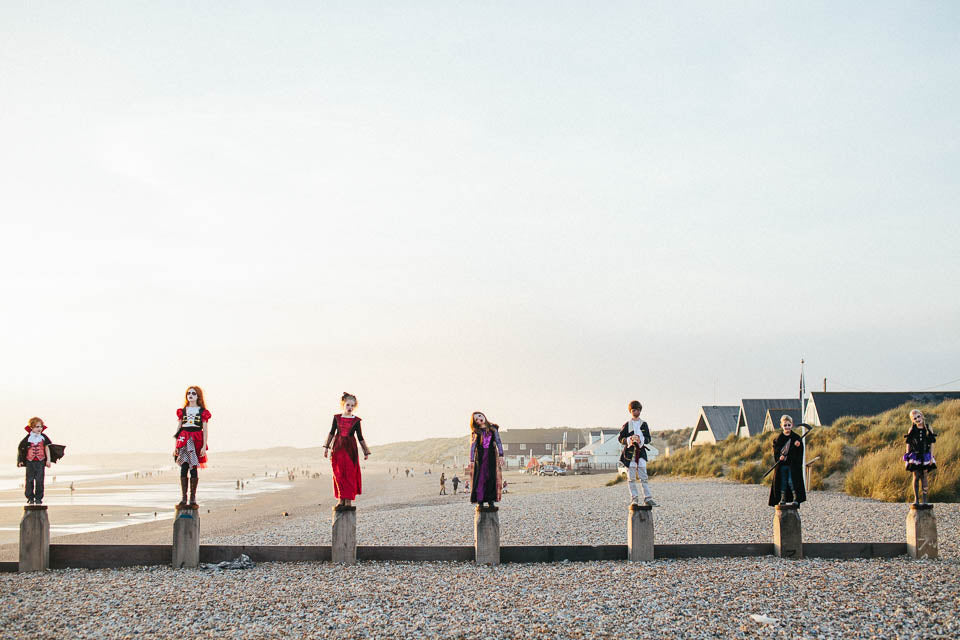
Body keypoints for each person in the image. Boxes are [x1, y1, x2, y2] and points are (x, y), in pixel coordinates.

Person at [324, 392, 371, 508]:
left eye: (352, 406)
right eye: (348, 405)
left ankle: (348, 500)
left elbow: (360, 437)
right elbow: (331, 433)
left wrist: (366, 451)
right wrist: (326, 448)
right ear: (343, 405)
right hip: (338, 448)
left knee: (349, 474)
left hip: (350, 450)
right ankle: (341, 499)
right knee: (338, 474)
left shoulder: (356, 421)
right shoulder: (337, 418)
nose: (350, 408)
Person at [173, 386, 211, 508]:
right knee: (184, 466)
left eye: (193, 393)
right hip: (184, 438)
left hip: (196, 439)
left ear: (198, 396)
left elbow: (205, 429)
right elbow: (179, 428)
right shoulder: (183, 411)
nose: (190, 395)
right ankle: (184, 498)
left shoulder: (202, 412)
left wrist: (204, 445)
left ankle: (192, 498)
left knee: (193, 467)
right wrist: (176, 446)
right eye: (188, 393)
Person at [618, 401, 657, 506]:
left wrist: (641, 439)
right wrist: (629, 439)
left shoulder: (644, 424)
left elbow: (648, 438)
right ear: (631, 411)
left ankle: (648, 498)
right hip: (629, 454)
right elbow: (620, 438)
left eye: (638, 410)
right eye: (634, 410)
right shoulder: (626, 425)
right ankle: (634, 499)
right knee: (631, 479)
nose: (636, 411)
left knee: (644, 477)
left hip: (641, 453)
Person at [17, 417, 59, 505]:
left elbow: (47, 448)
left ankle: (39, 498)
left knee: (40, 480)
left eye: (40, 427)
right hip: (30, 461)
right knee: (29, 480)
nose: (39, 429)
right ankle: (30, 497)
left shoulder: (43, 437)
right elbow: (21, 449)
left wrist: (48, 460)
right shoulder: (28, 438)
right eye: (37, 427)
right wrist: (20, 460)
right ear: (31, 427)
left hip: (40, 461)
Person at [768, 415, 806, 507]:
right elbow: (776, 450)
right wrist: (779, 457)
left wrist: (799, 445)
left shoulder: (796, 437)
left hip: (792, 465)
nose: (787, 427)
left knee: (791, 481)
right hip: (782, 465)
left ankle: (795, 499)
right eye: (785, 425)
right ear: (781, 425)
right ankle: (782, 499)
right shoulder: (778, 439)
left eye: (789, 425)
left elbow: (800, 452)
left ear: (791, 425)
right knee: (783, 481)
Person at [468, 411, 503, 508]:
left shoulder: (493, 429)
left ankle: (491, 500)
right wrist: (471, 460)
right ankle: (480, 501)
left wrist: (501, 455)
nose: (479, 419)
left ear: (483, 415)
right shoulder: (476, 432)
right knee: (480, 478)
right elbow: (472, 446)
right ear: (476, 423)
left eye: (480, 416)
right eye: (476, 419)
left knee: (491, 477)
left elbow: (498, 441)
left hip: (491, 455)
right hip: (480, 457)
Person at [903, 409, 936, 505]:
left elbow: (932, 443)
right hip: (915, 456)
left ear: (922, 416)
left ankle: (925, 500)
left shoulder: (928, 428)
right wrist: (907, 457)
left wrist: (931, 457)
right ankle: (916, 499)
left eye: (918, 416)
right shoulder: (912, 429)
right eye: (914, 418)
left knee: (924, 476)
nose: (917, 419)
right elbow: (908, 444)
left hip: (925, 455)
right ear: (912, 420)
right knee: (916, 476)